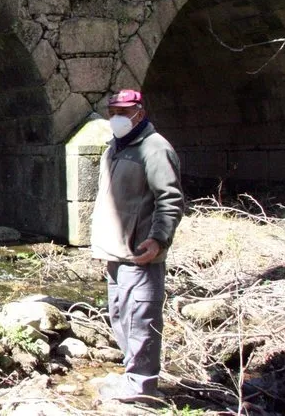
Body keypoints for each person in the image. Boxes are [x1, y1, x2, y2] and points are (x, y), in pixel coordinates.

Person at [90, 89, 184, 402]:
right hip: (115, 251)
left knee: (142, 317)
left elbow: (170, 199)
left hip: (141, 253)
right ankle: (133, 375)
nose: (117, 117)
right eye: (113, 111)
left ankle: (143, 386)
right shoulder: (115, 148)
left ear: (139, 113)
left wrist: (158, 239)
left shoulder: (155, 149)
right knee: (120, 315)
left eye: (123, 111)